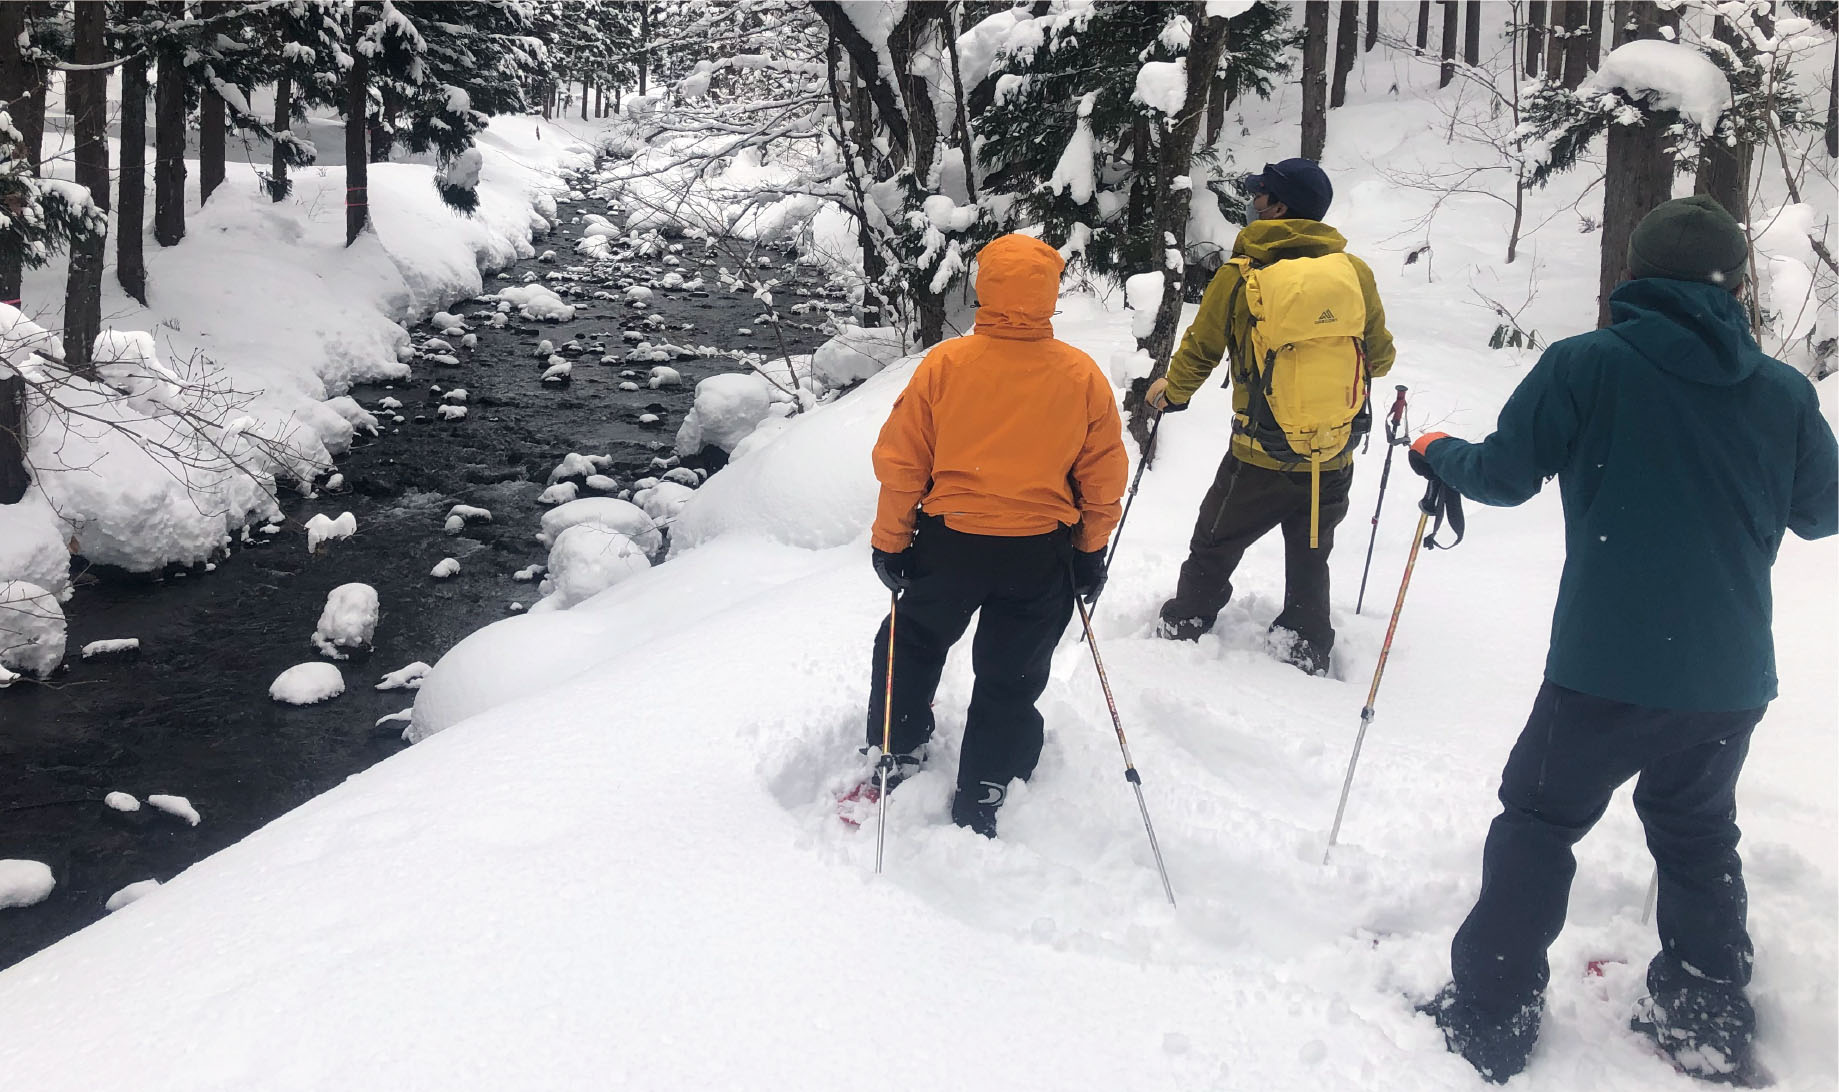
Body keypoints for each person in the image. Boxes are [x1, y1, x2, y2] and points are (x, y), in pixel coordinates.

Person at [1410, 195, 1838, 1085]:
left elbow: (1502, 476)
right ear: (1736, 285)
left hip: (1604, 668)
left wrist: (1435, 450)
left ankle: (1489, 1018)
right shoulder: (1782, 391)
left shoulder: (1586, 365)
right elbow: (1821, 512)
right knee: (1696, 836)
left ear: (1633, 275)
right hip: (1726, 678)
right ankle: (1704, 1023)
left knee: (1537, 822)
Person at [862, 233, 1129, 838]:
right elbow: (1102, 478)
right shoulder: (1079, 375)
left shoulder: (946, 366)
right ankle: (988, 781)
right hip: (1038, 553)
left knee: (911, 642)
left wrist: (891, 540)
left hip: (950, 545)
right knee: (1012, 670)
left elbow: (903, 464)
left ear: (984, 287)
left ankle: (896, 745)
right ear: (1049, 294)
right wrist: (1090, 553)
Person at [1145, 158, 1396, 675]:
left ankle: (1187, 619)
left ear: (1279, 208)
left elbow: (1201, 347)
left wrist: (1173, 393)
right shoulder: (1353, 272)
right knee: (1311, 551)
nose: (1254, 200)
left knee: (1214, 541)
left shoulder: (1241, 274)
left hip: (1258, 454)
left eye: (1262, 193)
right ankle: (1305, 642)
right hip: (1331, 453)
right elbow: (1381, 357)